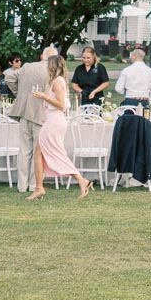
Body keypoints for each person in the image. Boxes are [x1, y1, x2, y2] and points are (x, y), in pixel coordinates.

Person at [26, 53, 92, 200]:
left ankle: (80, 180)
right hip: (52, 120)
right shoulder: (58, 81)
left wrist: (45, 97)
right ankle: (39, 187)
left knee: (52, 153)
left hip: (54, 121)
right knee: (40, 153)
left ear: (52, 66)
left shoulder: (57, 82)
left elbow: (61, 105)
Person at [11, 46, 60, 194]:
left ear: (41, 56)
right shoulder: (54, 72)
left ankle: (21, 185)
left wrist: (20, 94)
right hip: (41, 114)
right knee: (38, 152)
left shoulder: (27, 67)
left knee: (24, 150)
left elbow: (9, 77)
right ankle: (34, 184)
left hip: (25, 112)